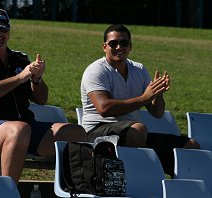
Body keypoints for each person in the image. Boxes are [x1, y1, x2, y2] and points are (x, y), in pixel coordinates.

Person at [0, 9, 87, 183]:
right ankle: (6, 193)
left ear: (9, 33)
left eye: (3, 30)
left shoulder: (20, 59)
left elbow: (41, 99)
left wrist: (36, 79)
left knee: (77, 133)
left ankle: (72, 191)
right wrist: (19, 78)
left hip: (22, 127)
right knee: (18, 129)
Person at [80, 24, 200, 176]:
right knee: (138, 130)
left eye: (124, 43)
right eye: (113, 43)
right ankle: (142, 176)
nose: (119, 47)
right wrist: (144, 98)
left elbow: (157, 112)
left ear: (131, 46)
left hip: (133, 134)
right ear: (104, 47)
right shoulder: (96, 70)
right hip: (96, 132)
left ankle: (179, 187)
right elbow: (104, 108)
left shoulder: (139, 69)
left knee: (191, 145)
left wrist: (157, 93)